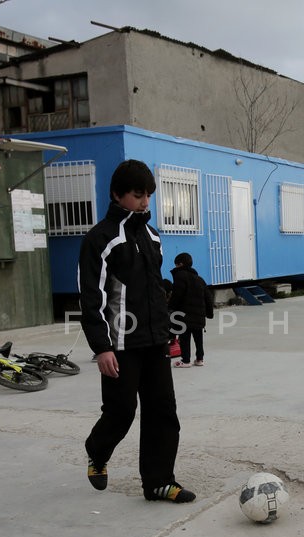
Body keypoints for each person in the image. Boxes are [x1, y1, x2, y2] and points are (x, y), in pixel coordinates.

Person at [78, 159, 196, 503]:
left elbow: (156, 288)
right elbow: (92, 296)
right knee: (121, 410)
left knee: (163, 410)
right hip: (119, 343)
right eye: (137, 194)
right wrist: (102, 347)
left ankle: (159, 481)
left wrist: (168, 330)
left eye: (148, 195)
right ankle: (97, 452)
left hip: (155, 339)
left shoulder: (152, 236)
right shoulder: (100, 239)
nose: (145, 202)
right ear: (117, 195)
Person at [168, 252, 212, 367]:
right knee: (198, 338)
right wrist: (209, 313)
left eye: (176, 265)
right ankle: (199, 359)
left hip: (184, 316)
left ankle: (186, 360)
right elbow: (208, 297)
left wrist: (170, 308)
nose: (175, 267)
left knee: (185, 338)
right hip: (199, 316)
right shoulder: (200, 279)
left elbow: (177, 295)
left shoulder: (180, 276)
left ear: (181, 264)